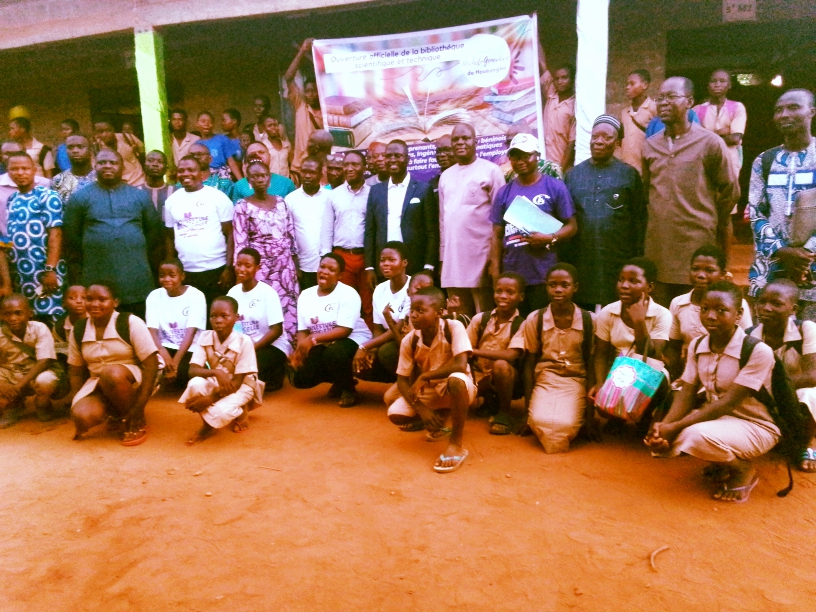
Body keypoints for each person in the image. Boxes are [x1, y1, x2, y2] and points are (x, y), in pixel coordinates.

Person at [646, 281, 780, 504]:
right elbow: (687, 390)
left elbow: (727, 403)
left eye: (721, 310)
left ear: (738, 315)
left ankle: (743, 470)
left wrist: (674, 427)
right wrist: (664, 426)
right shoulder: (697, 345)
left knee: (692, 435)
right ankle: (721, 461)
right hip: (722, 419)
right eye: (705, 309)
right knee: (671, 434)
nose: (710, 316)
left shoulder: (758, 351)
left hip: (758, 426)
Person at [643, 77, 739, 306]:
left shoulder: (710, 143)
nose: (664, 102)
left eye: (671, 96)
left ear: (689, 101)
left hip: (697, 245)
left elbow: (730, 190)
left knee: (695, 312)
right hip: (659, 245)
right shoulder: (651, 144)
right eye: (660, 98)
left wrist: (712, 218)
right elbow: (647, 191)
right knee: (662, 316)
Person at [63, 149, 163, 320]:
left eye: (113, 163)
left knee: (139, 322)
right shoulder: (80, 197)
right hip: (97, 268)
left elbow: (154, 231)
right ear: (95, 166)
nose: (107, 166)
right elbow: (71, 233)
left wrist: (132, 246)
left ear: (122, 167)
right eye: (102, 163)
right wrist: (96, 246)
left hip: (135, 271)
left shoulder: (139, 196)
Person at [387, 286, 477, 473]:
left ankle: (456, 445)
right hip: (432, 390)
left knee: (456, 380)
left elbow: (461, 364)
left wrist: (425, 375)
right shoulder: (409, 340)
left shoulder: (454, 327)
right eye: (412, 310)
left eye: (421, 311)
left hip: (459, 387)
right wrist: (422, 409)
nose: (414, 315)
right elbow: (402, 380)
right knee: (396, 414)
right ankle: (439, 422)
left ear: (439, 313)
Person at [748, 89, 816, 319]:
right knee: (766, 342)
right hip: (770, 267)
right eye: (779, 110)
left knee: (810, 341)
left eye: (794, 107)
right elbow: (756, 213)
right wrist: (780, 249)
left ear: (812, 112)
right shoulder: (764, 160)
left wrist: (807, 252)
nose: (784, 114)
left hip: (811, 269)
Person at [565, 115, 645, 309]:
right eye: (595, 136)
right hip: (582, 258)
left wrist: (636, 259)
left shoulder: (629, 174)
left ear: (617, 143)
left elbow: (639, 221)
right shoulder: (573, 175)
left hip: (617, 257)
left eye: (606, 138)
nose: (599, 141)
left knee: (617, 309)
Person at [490, 134, 576, 314]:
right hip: (512, 277)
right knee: (516, 330)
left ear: (537, 156)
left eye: (525, 155)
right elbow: (497, 236)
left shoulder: (554, 187)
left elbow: (572, 226)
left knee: (541, 327)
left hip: (544, 275)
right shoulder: (504, 192)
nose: (520, 161)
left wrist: (550, 238)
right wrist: (496, 272)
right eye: (515, 156)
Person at [68, 282, 160, 446]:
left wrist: (140, 406)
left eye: (102, 299)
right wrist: (78, 402)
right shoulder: (79, 328)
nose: (95, 304)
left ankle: (136, 420)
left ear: (115, 302)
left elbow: (151, 364)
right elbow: (75, 372)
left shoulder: (130, 322)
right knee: (83, 416)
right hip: (98, 382)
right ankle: (117, 413)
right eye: (90, 299)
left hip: (132, 379)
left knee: (111, 373)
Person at [522, 264, 597, 452]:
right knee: (539, 420)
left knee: (565, 426)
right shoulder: (535, 319)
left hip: (576, 380)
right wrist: (527, 414)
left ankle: (575, 420)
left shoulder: (590, 320)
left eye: (565, 285)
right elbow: (530, 363)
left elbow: (592, 364)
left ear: (575, 287)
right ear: (546, 286)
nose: (558, 290)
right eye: (552, 285)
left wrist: (589, 419)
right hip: (545, 380)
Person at [589, 258, 672, 427]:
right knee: (602, 409)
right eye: (621, 280)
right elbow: (601, 353)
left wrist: (639, 322)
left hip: (649, 370)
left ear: (649, 287)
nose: (624, 285)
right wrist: (599, 385)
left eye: (633, 281)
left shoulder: (662, 314)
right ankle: (618, 416)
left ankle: (645, 415)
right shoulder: (608, 312)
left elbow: (654, 355)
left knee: (659, 380)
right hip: (618, 371)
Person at [439, 124, 506, 317]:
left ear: (476, 141)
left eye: (465, 138)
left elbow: (500, 219)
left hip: (481, 255)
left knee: (484, 314)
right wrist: (443, 258)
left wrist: (495, 259)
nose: (460, 142)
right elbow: (443, 222)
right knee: (459, 315)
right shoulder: (446, 176)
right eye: (456, 139)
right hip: (453, 257)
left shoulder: (491, 171)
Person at [750, 279, 816, 472]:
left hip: (795, 396)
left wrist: (779, 389)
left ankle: (810, 443)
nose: (766, 308)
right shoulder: (750, 336)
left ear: (793, 309)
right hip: (766, 398)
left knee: (810, 394)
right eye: (762, 302)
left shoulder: (806, 329)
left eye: (776, 304)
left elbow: (813, 375)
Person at [290, 253, 372, 407]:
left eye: (331, 269)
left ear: (340, 275)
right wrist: (300, 351)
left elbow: (344, 330)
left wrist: (312, 340)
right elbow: (302, 330)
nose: (325, 271)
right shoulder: (306, 295)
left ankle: (348, 388)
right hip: (324, 341)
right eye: (322, 267)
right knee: (300, 377)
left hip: (353, 339)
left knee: (334, 353)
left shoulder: (348, 293)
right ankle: (340, 379)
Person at [232, 159, 300, 343]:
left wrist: (295, 265)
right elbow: (240, 241)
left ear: (269, 178)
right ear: (249, 181)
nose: (260, 179)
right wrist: (242, 273)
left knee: (289, 309)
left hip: (284, 266)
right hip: (259, 267)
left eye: (263, 175)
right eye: (255, 176)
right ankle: (264, 349)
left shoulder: (280, 202)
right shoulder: (242, 206)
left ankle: (290, 355)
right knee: (262, 310)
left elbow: (290, 233)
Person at [180, 295, 262, 444]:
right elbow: (192, 370)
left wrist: (209, 399)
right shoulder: (205, 336)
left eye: (224, 316)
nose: (218, 320)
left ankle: (241, 409)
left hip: (241, 385)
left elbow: (236, 383)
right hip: (219, 381)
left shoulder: (244, 341)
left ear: (236, 317)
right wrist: (216, 372)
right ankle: (208, 426)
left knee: (220, 412)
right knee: (194, 384)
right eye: (213, 316)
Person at [664, 245, 753, 378]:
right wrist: (676, 376)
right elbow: (674, 347)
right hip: (689, 372)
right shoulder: (678, 303)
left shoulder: (737, 305)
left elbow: (747, 344)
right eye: (695, 269)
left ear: (723, 275)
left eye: (710, 270)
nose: (700, 275)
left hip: (728, 372)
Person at [164, 155, 235, 311]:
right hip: (186, 271)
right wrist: (171, 267)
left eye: (191, 170)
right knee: (192, 317)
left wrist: (229, 268)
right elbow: (169, 236)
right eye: (181, 171)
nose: (186, 174)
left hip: (216, 269)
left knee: (217, 315)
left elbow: (231, 234)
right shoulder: (171, 201)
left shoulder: (217, 197)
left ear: (202, 174)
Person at [364, 139, 438, 282]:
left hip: (415, 264)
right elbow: (370, 231)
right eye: (389, 156)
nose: (392, 160)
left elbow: (432, 232)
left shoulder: (423, 189)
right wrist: (370, 267)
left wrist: (429, 267)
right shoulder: (376, 191)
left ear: (408, 159)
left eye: (397, 156)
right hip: (384, 265)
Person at [5, 152, 66, 322]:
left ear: (34, 170)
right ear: (8, 172)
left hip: (44, 270)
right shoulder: (12, 199)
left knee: (50, 315)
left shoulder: (47, 196)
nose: (20, 172)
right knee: (28, 318)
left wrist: (50, 269)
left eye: (25, 168)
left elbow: (56, 233)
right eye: (14, 169)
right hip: (21, 273)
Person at [466, 273, 526, 435]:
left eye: (510, 292)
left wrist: (475, 352)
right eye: (498, 291)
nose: (503, 296)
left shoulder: (522, 324)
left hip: (507, 378)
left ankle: (504, 413)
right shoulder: (480, 319)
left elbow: (511, 355)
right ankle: (489, 401)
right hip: (479, 375)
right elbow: (465, 348)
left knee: (500, 365)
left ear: (520, 297)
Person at [320, 150, 373, 327]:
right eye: (347, 165)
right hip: (341, 257)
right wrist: (327, 257)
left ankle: (369, 345)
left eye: (355, 165)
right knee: (343, 303)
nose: (349, 169)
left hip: (366, 257)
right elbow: (327, 228)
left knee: (368, 304)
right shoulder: (334, 195)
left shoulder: (373, 194)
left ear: (364, 168)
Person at [228, 247, 291, 391]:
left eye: (248, 266)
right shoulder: (233, 292)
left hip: (270, 346)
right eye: (239, 264)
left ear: (258, 267)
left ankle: (277, 370)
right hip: (244, 346)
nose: (242, 269)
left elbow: (277, 330)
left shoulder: (267, 293)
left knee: (248, 371)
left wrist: (251, 349)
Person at [0, 294, 64, 427]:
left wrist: (18, 386)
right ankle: (13, 406)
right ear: (1, 316)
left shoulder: (39, 328)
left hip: (35, 373)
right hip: (12, 373)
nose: (13, 318)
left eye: (18, 313)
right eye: (7, 314)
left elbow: (44, 360)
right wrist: (2, 385)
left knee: (45, 381)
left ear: (30, 314)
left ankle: (43, 404)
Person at [354, 241, 412, 382]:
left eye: (392, 260)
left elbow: (399, 328)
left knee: (386, 352)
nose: (385, 264)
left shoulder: (413, 287)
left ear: (404, 263)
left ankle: (409, 383)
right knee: (363, 365)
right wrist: (372, 350)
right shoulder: (380, 289)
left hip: (407, 341)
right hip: (387, 340)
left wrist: (365, 346)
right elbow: (378, 327)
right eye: (382, 260)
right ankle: (398, 383)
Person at [145, 258, 206, 390]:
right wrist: (163, 353)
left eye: (172, 275)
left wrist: (175, 363)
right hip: (164, 347)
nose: (167, 279)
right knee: (150, 367)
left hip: (189, 349)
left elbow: (191, 333)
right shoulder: (154, 296)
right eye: (162, 275)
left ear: (182, 276)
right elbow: (152, 331)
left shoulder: (196, 296)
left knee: (187, 373)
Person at [693, 70, 747, 181]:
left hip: (729, 161)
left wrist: (706, 134)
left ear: (729, 85)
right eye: (713, 81)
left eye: (722, 81)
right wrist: (722, 132)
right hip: (704, 161)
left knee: (727, 196)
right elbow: (694, 140)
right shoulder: (698, 109)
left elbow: (735, 139)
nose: (717, 84)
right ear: (708, 85)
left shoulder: (737, 107)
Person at [285, 156, 329, 290]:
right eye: (304, 171)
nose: (307, 176)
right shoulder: (290, 199)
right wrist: (295, 264)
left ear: (321, 174)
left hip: (326, 264)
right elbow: (287, 234)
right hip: (302, 265)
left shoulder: (330, 197)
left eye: (312, 172)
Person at [285, 38, 324, 177]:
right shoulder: (300, 104)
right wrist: (302, 51)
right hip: (299, 167)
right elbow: (289, 77)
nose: (311, 94)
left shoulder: (327, 111)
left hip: (320, 167)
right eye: (308, 91)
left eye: (314, 91)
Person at [538, 42, 576, 171]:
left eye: (564, 78)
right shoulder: (551, 94)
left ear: (572, 79)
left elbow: (572, 143)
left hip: (561, 165)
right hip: (544, 163)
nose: (560, 81)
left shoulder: (574, 106)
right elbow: (542, 64)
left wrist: (560, 169)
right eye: (557, 78)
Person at [0, 142, 49, 239]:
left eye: (17, 153)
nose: (13, 158)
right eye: (7, 153)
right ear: (1, 156)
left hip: (39, 245)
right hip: (6, 244)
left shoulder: (45, 184)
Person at [498, 121, 563, 182]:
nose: (520, 162)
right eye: (509, 141)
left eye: (525, 156)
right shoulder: (508, 175)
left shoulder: (551, 169)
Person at [618, 70, 656, 173]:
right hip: (626, 167)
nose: (627, 87)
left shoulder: (654, 109)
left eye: (632, 84)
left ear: (645, 85)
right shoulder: (625, 112)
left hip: (646, 168)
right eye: (627, 84)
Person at [231, 142, 296, 201]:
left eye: (261, 152)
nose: (257, 156)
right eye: (252, 155)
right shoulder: (240, 185)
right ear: (246, 160)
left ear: (269, 156)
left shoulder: (286, 183)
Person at [92, 118, 145, 187]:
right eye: (101, 132)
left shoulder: (127, 137)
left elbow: (143, 152)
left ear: (113, 129)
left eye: (108, 130)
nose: (105, 134)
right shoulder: (97, 148)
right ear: (96, 134)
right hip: (117, 186)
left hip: (138, 180)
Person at [195, 111, 242, 181]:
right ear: (197, 124)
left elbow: (231, 162)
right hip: (204, 178)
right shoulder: (196, 145)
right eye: (203, 121)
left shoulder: (222, 139)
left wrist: (241, 181)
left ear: (213, 125)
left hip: (222, 176)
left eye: (210, 122)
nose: (206, 124)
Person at [51, 134, 97, 205]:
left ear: (90, 150)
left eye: (80, 147)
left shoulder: (100, 178)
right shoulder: (58, 180)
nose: (75, 151)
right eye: (70, 147)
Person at [52, 284, 87, 363]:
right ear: (63, 303)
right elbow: (59, 350)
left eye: (84, 298)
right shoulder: (59, 327)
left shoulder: (96, 321)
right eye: (72, 298)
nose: (79, 301)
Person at [139, 150, 176, 221]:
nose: (155, 164)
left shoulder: (175, 192)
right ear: (144, 166)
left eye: (160, 162)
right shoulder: (136, 192)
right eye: (150, 160)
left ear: (166, 168)